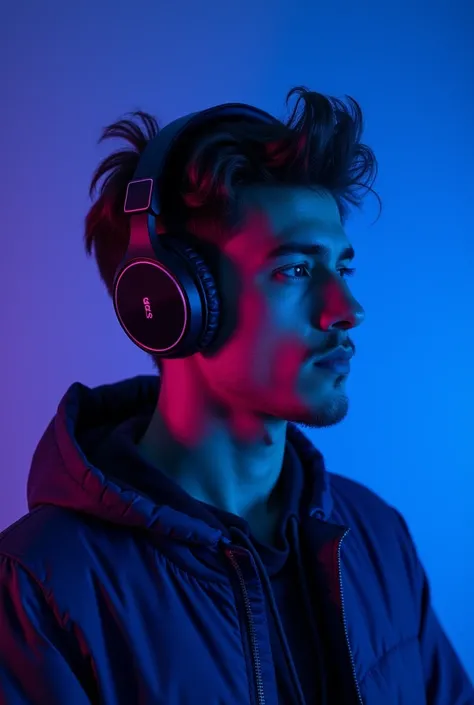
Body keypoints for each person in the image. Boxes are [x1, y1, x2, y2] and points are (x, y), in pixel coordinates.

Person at [0, 87, 472, 705]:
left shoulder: (377, 537)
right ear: (172, 302)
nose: (347, 310)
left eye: (342, 268)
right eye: (295, 270)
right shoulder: (42, 586)